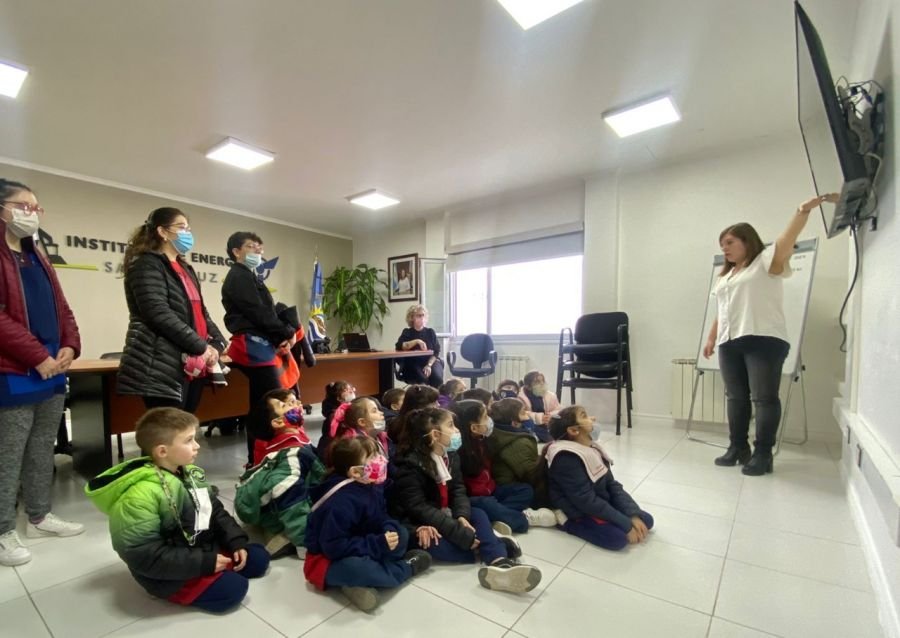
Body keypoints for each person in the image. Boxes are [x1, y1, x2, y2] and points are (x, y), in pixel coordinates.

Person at [703, 194, 837, 475]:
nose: (724, 248)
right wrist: (712, 338)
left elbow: (787, 239)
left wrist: (802, 211)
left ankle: (763, 453)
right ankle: (738, 447)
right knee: (736, 397)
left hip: (763, 339)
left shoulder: (765, 261)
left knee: (764, 398)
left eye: (729, 242)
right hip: (730, 341)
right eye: (722, 245)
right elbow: (722, 310)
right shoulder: (725, 276)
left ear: (746, 241)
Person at [85, 408, 270, 612]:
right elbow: (143, 554)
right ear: (162, 451)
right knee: (234, 590)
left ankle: (218, 567)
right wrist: (204, 562)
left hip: (199, 546)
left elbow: (214, 511)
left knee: (258, 558)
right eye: (189, 440)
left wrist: (235, 542)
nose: (197, 445)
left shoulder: (189, 472)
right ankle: (190, 584)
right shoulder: (137, 497)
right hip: (168, 569)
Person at [0, 179, 84, 567]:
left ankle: (38, 515)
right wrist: (37, 356)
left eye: (36, 208)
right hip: (15, 367)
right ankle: (3, 531)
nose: (32, 214)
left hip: (53, 365)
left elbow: (62, 307)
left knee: (42, 447)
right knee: (8, 453)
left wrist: (69, 345)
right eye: (24, 206)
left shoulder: (37, 255)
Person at [389, 407, 543, 593]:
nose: (457, 431)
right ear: (436, 434)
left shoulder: (450, 455)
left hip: (444, 513)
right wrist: (458, 532)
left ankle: (499, 565)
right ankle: (493, 543)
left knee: (476, 512)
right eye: (451, 426)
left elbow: (459, 489)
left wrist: (461, 516)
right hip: (420, 525)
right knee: (441, 547)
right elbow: (418, 508)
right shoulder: (409, 465)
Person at [304, 437, 432, 612]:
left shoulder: (370, 485)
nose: (380, 459)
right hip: (329, 559)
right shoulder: (339, 504)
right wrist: (377, 543)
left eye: (377, 454)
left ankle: (355, 584)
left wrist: (389, 530)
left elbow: (381, 516)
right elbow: (333, 547)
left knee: (401, 533)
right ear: (355, 472)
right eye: (372, 457)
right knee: (359, 569)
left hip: (362, 540)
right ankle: (405, 567)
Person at [119, 207, 226, 412]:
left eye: (189, 228)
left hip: (193, 361)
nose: (188, 233)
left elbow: (201, 313)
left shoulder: (185, 268)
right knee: (166, 435)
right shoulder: (146, 264)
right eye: (182, 227)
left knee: (184, 430)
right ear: (162, 232)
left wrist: (218, 343)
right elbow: (157, 312)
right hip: (161, 363)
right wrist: (201, 346)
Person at [221, 231, 297, 465]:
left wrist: (281, 334)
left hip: (261, 344)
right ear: (236, 251)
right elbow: (258, 312)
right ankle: (265, 458)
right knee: (274, 403)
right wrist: (284, 332)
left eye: (260, 248)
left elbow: (266, 312)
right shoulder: (239, 276)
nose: (258, 251)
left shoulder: (250, 276)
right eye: (252, 247)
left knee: (262, 404)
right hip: (251, 345)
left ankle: (259, 457)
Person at [544, 406, 653, 551]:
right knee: (618, 539)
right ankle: (566, 523)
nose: (593, 419)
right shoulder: (565, 457)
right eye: (585, 416)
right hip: (577, 510)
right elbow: (586, 501)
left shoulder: (592, 448)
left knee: (646, 520)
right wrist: (625, 524)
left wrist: (632, 515)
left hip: (598, 499)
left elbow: (612, 485)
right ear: (573, 430)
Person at [234, 389, 325, 559]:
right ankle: (280, 533)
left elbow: (315, 468)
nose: (296, 405)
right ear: (278, 422)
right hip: (264, 510)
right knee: (300, 509)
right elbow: (290, 500)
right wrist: (306, 544)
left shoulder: (294, 438)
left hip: (275, 497)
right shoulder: (290, 457)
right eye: (285, 405)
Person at [453, 400, 555, 533]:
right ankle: (523, 519)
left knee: (524, 490)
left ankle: (499, 517)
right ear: (474, 428)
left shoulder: (482, 440)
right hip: (474, 497)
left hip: (492, 489)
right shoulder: (460, 451)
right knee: (486, 504)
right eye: (485, 416)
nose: (490, 420)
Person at [487, 398, 552, 510]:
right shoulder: (517, 441)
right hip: (507, 485)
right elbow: (530, 474)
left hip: (503, 481)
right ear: (515, 422)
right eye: (523, 413)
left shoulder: (499, 432)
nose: (527, 415)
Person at [395, 304, 442, 387]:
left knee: (437, 378)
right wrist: (417, 341)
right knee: (423, 380)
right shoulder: (407, 332)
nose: (422, 318)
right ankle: (423, 399)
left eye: (423, 315)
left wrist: (429, 365)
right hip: (413, 363)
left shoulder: (430, 332)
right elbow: (399, 346)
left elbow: (436, 351)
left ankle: (436, 399)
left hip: (430, 361)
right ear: (412, 318)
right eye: (419, 315)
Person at [386, 384, 439, 449]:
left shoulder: (396, 422)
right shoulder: (418, 428)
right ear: (420, 406)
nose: (438, 405)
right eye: (433, 403)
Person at [517, 370, 560, 443]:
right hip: (531, 424)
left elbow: (558, 410)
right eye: (537, 382)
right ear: (528, 386)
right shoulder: (520, 397)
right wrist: (540, 417)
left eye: (543, 381)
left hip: (548, 423)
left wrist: (550, 416)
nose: (542, 383)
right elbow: (521, 413)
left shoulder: (551, 395)